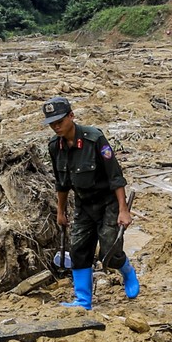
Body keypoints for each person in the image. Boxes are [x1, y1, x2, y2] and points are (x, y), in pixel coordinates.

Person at [43, 96, 139, 308]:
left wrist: (123, 210)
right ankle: (83, 300)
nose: (56, 127)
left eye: (60, 121)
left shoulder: (94, 139)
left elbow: (116, 176)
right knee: (78, 249)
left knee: (109, 252)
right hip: (83, 204)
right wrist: (60, 211)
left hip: (108, 203)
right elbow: (61, 183)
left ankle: (128, 271)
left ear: (71, 116)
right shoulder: (54, 147)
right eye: (52, 123)